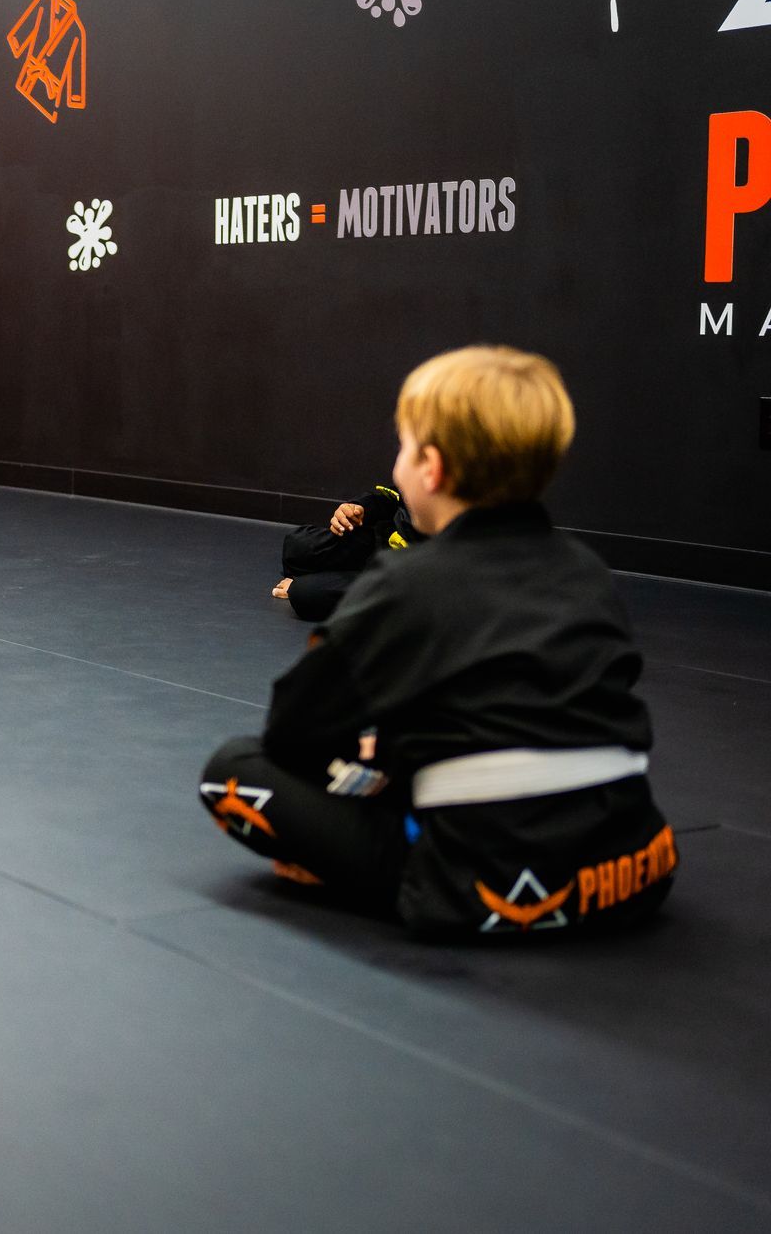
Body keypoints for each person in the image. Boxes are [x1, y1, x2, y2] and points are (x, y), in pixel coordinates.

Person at [198, 346, 675, 937]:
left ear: (431, 468)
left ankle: (408, 874)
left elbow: (293, 734)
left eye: (403, 447)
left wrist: (377, 756)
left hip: (474, 887)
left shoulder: (404, 582)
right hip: (631, 866)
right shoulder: (586, 572)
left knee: (232, 769)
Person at [271, 483, 421, 622]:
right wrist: (359, 508)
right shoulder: (416, 473)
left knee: (305, 593)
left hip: (409, 574)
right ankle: (347, 577)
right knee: (297, 547)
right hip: (387, 542)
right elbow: (393, 498)